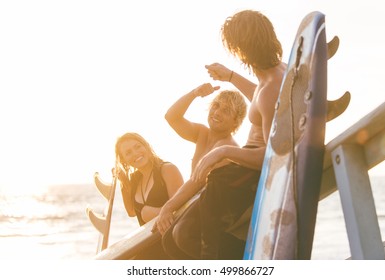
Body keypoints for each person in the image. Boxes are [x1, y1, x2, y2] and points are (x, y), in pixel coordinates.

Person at [178, 10, 286, 259]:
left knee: (182, 238)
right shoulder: (276, 73)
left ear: (241, 50)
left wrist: (223, 152)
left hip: (248, 175)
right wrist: (230, 76)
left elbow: (273, 157)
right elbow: (260, 99)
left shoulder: (271, 88)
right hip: (243, 169)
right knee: (177, 238)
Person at [154, 83, 248, 259]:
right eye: (216, 106)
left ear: (236, 121)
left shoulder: (227, 146)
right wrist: (195, 93)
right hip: (201, 212)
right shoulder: (202, 134)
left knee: (180, 237)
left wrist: (167, 207)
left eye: (226, 110)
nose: (217, 112)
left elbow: (197, 181)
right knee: (169, 241)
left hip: (218, 218)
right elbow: (171, 117)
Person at [115, 132, 184, 259]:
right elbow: (131, 212)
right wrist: (123, 181)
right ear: (124, 160)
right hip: (149, 246)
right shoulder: (135, 180)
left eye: (137, 147)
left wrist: (153, 212)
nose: (135, 153)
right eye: (128, 152)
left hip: (173, 247)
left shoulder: (167, 170)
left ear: (146, 146)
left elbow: (182, 211)